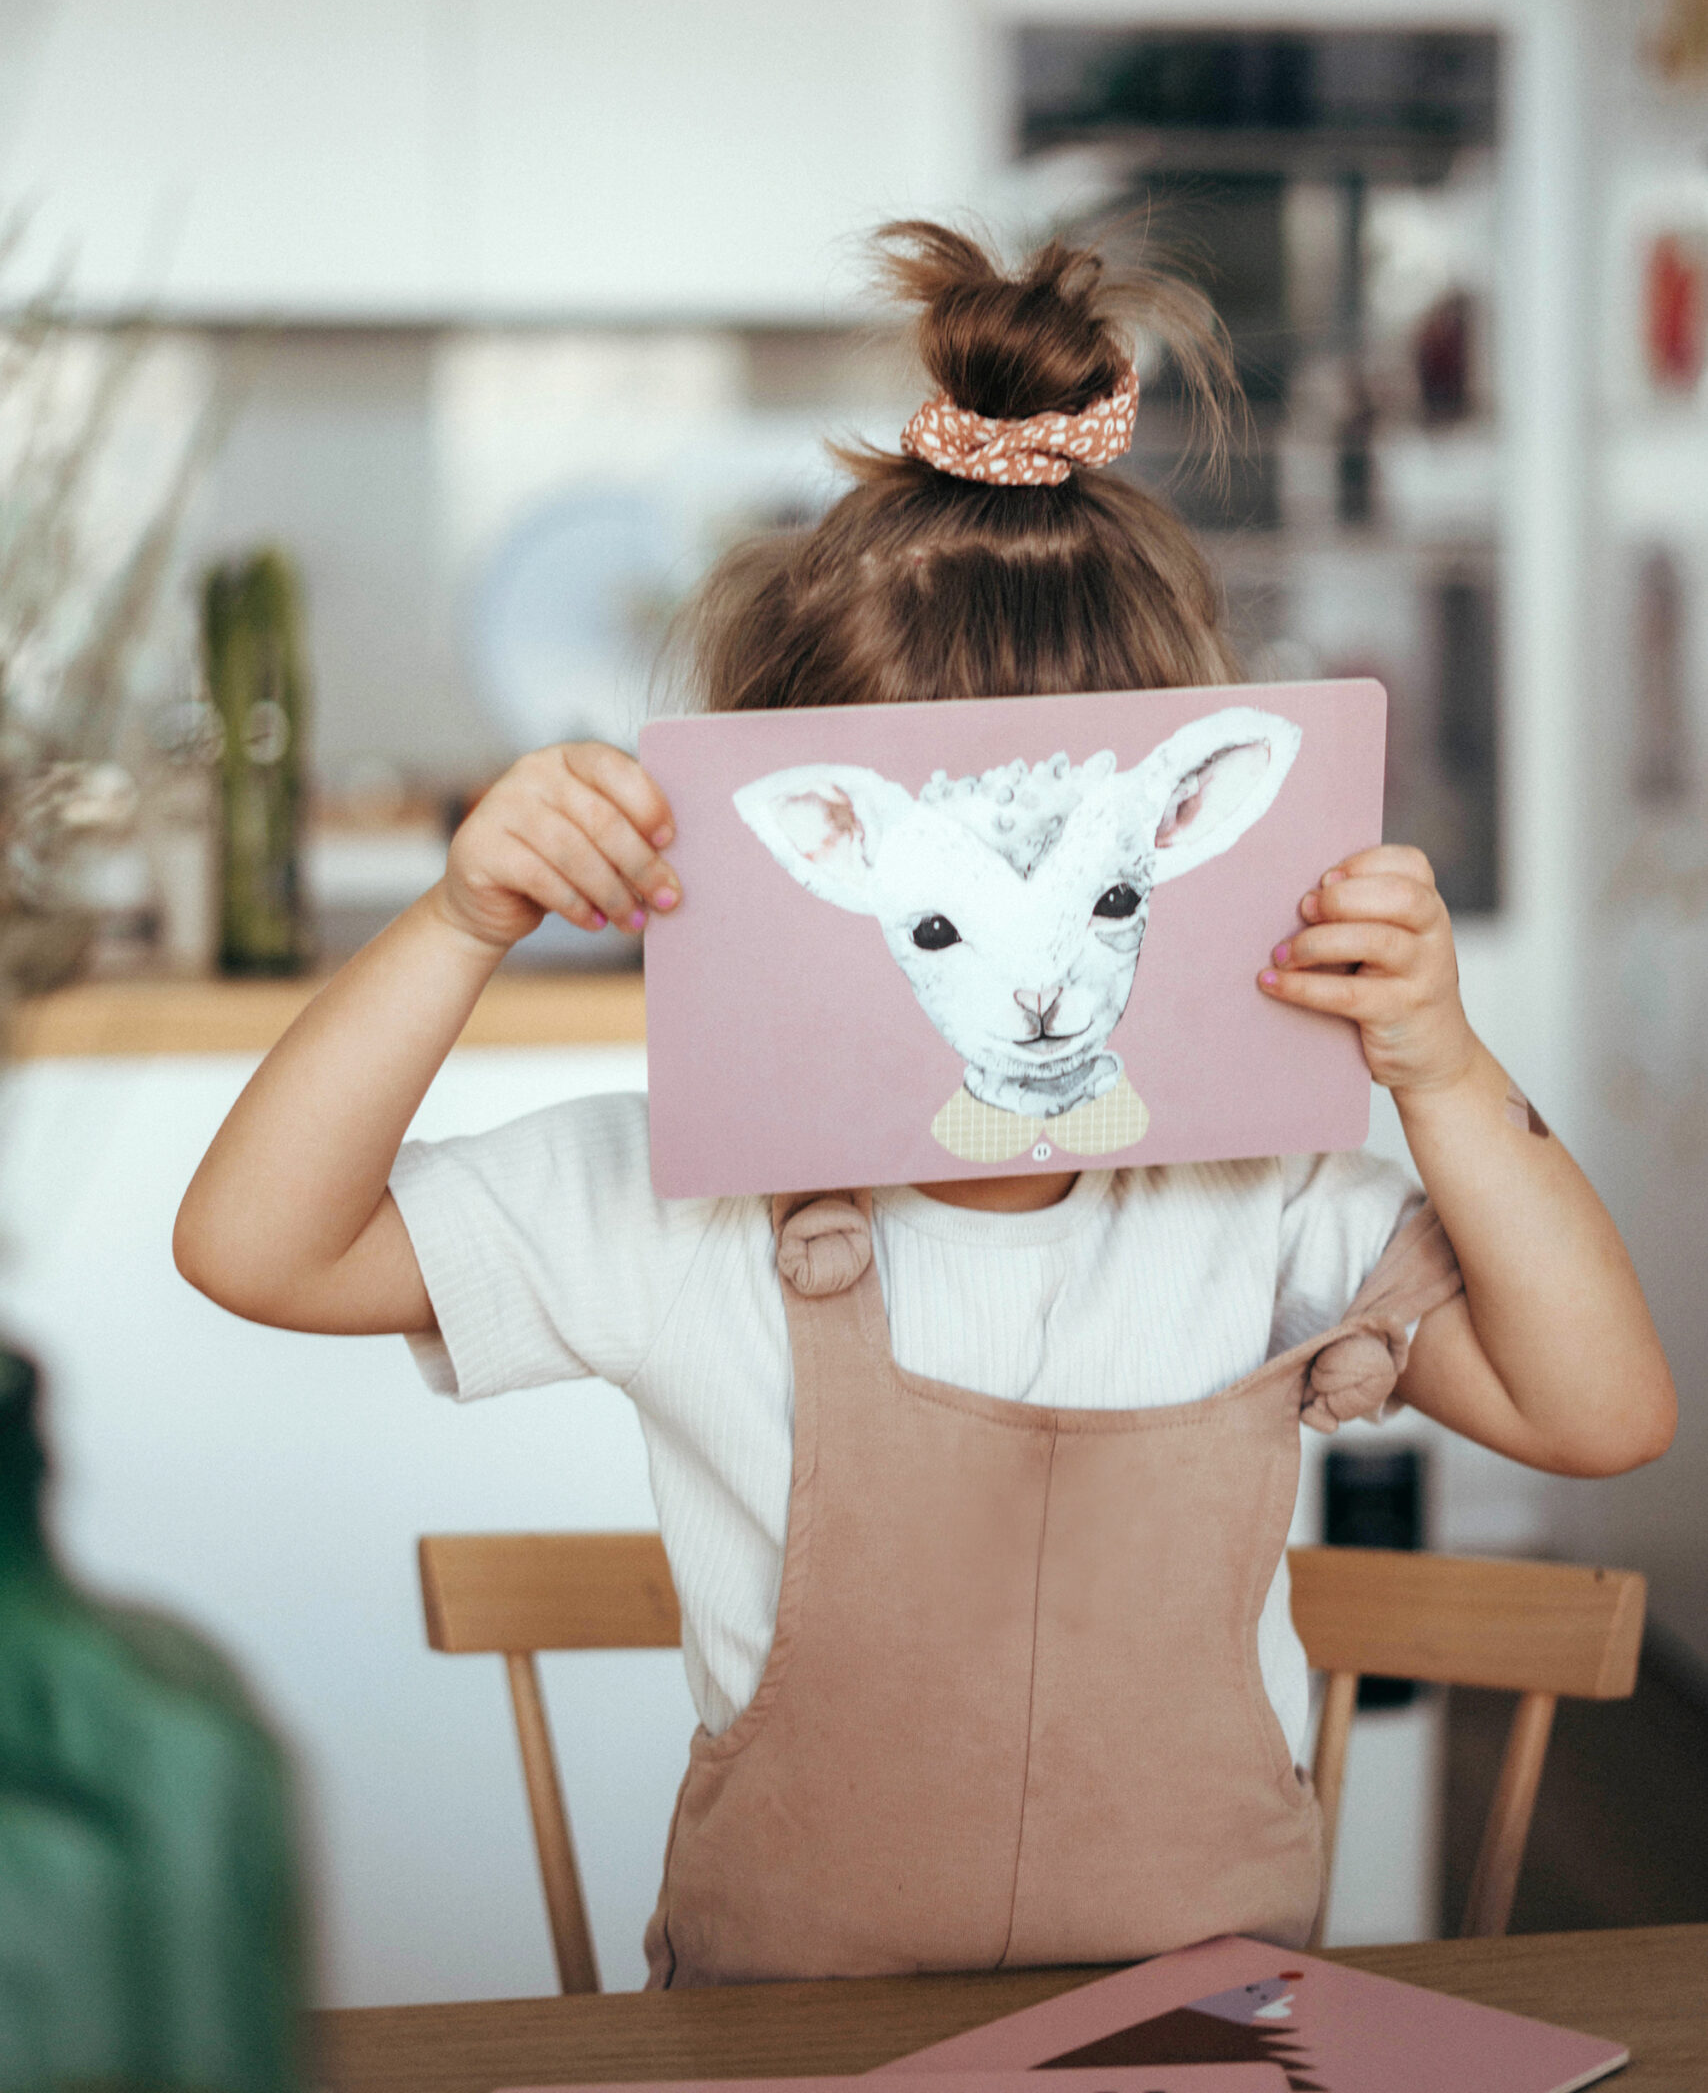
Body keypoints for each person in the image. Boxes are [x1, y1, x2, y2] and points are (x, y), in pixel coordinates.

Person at [175, 222, 1675, 1987]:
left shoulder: (1261, 1198)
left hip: (1208, 2026)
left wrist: (1443, 1067)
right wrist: (460, 919)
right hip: (786, 2035)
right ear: (802, 864)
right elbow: (252, 1250)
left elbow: (1603, 1416)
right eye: (957, 913)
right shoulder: (686, 1198)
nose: (1038, 983)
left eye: (1104, 896)